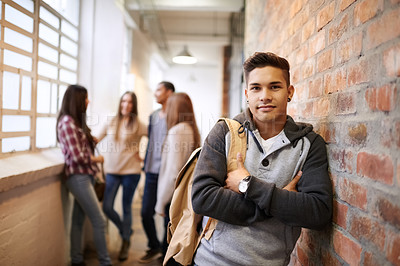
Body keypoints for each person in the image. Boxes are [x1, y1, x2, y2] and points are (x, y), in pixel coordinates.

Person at [191, 52, 333, 265]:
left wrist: (248, 186)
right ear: (247, 94)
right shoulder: (224, 132)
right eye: (256, 88)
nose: (265, 96)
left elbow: (318, 212)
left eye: (274, 87)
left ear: (289, 92)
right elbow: (202, 197)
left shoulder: (310, 145)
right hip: (210, 261)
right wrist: (278, 202)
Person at [56, 85, 112, 266]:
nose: (88, 101)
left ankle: (76, 260)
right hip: (78, 178)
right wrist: (98, 159)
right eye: (85, 98)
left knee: (78, 221)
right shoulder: (66, 123)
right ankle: (105, 262)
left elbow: (82, 148)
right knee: (99, 220)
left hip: (84, 177)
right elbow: (78, 156)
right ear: (77, 100)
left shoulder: (75, 122)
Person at [96, 91, 147, 261]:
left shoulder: (138, 124)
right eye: (124, 101)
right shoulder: (112, 120)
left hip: (131, 173)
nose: (126, 105)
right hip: (112, 172)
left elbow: (156, 138)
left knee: (126, 208)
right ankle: (127, 231)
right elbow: (96, 138)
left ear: (134, 105)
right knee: (107, 207)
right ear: (120, 103)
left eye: (130, 102)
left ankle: (125, 242)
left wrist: (144, 158)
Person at [155, 93, 201, 256]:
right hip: (183, 196)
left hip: (174, 196)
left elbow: (173, 173)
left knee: (169, 246)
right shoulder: (190, 129)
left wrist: (161, 202)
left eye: (169, 107)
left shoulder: (176, 131)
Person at [139, 81, 175, 263]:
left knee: (167, 216)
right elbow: (151, 141)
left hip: (167, 174)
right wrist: (145, 164)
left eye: (159, 90)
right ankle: (153, 245)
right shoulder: (153, 116)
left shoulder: (175, 116)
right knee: (146, 213)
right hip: (152, 172)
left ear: (169, 93)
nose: (155, 93)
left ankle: (164, 251)